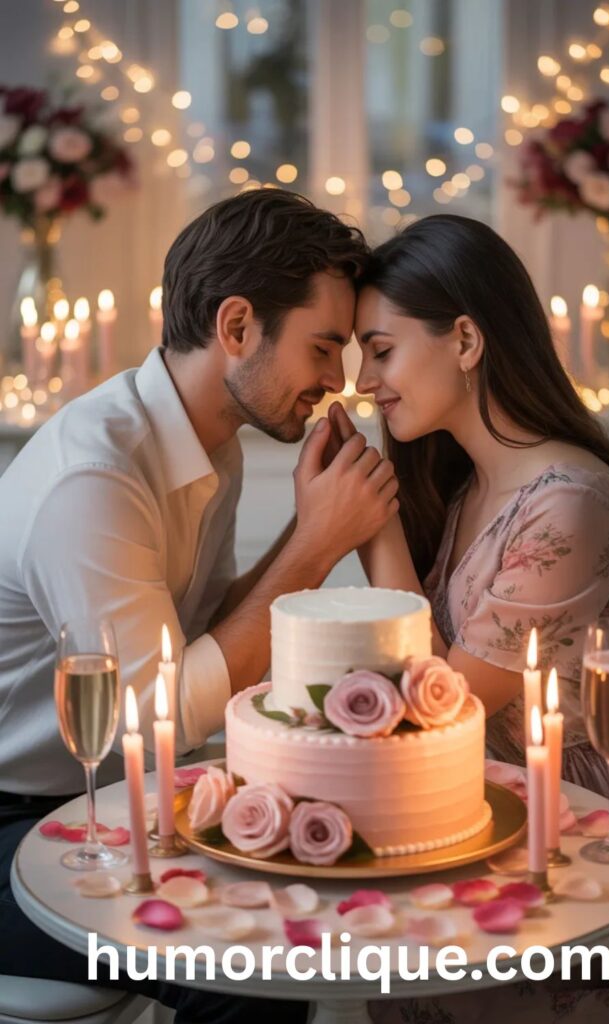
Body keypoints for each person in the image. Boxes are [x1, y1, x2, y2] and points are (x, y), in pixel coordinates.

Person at [0, 188, 398, 1021]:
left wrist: (307, 521)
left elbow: (209, 639)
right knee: (247, 961)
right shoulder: (95, 479)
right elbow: (163, 712)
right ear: (237, 326)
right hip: (17, 821)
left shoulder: (205, 444)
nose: (337, 383)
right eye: (324, 348)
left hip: (105, 800)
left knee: (301, 906)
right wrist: (317, 545)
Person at [332, 213, 609, 1024]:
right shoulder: (465, 490)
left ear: (463, 338)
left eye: (380, 350)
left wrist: (371, 526)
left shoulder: (569, 500)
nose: (363, 383)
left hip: (571, 822)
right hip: (474, 802)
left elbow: (446, 698)